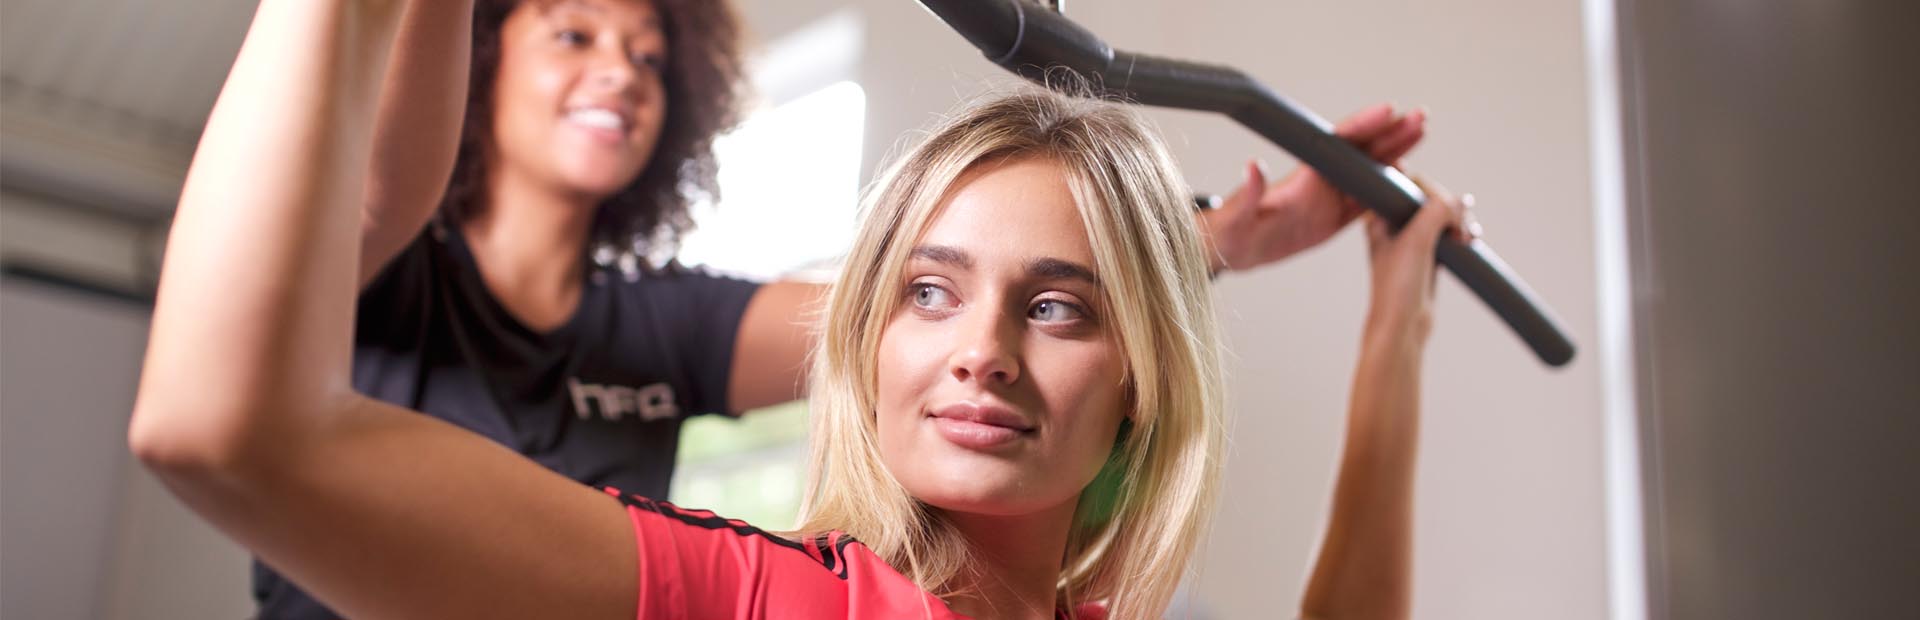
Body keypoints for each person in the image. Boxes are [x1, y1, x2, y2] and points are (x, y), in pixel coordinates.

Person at [130, 4, 1472, 618]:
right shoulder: (755, 593)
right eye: (929, 293)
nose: (978, 354)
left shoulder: (660, 324)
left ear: (1146, 378)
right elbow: (235, 418)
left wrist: (1389, 318)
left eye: (1057, 312)